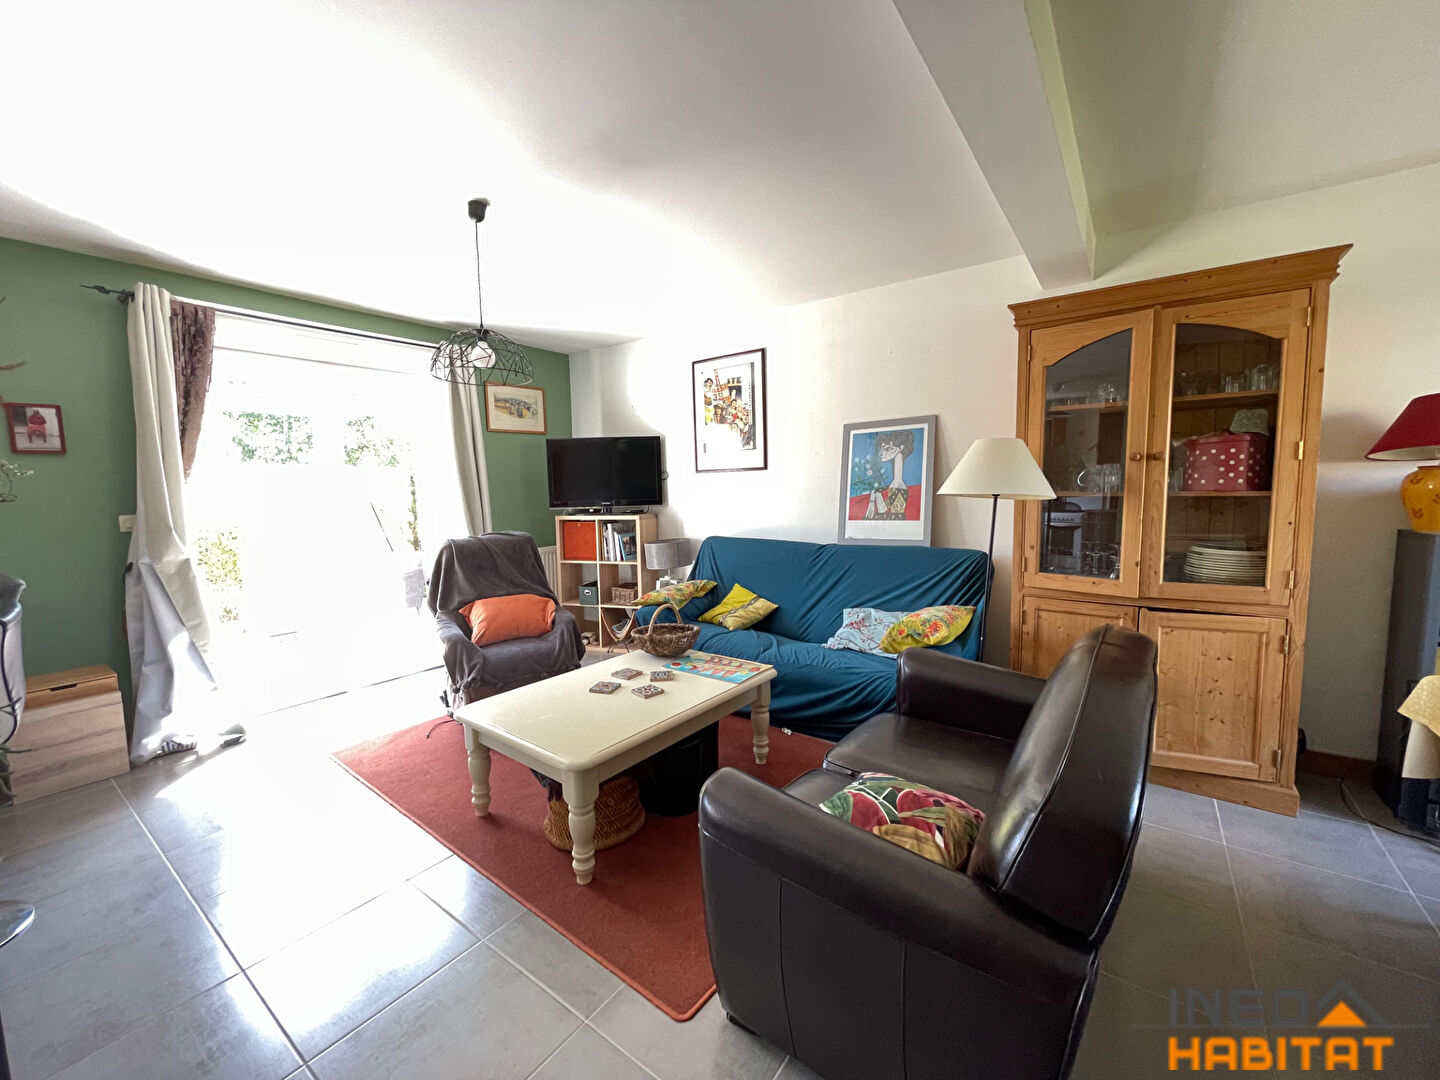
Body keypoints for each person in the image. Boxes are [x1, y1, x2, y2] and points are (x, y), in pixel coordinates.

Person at [864, 429, 914, 520]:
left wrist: (872, 499)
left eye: (887, 449)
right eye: (882, 449)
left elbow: (882, 509)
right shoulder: (896, 481)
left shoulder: (898, 482)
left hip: (896, 523)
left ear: (901, 448)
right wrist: (875, 493)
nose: (881, 453)